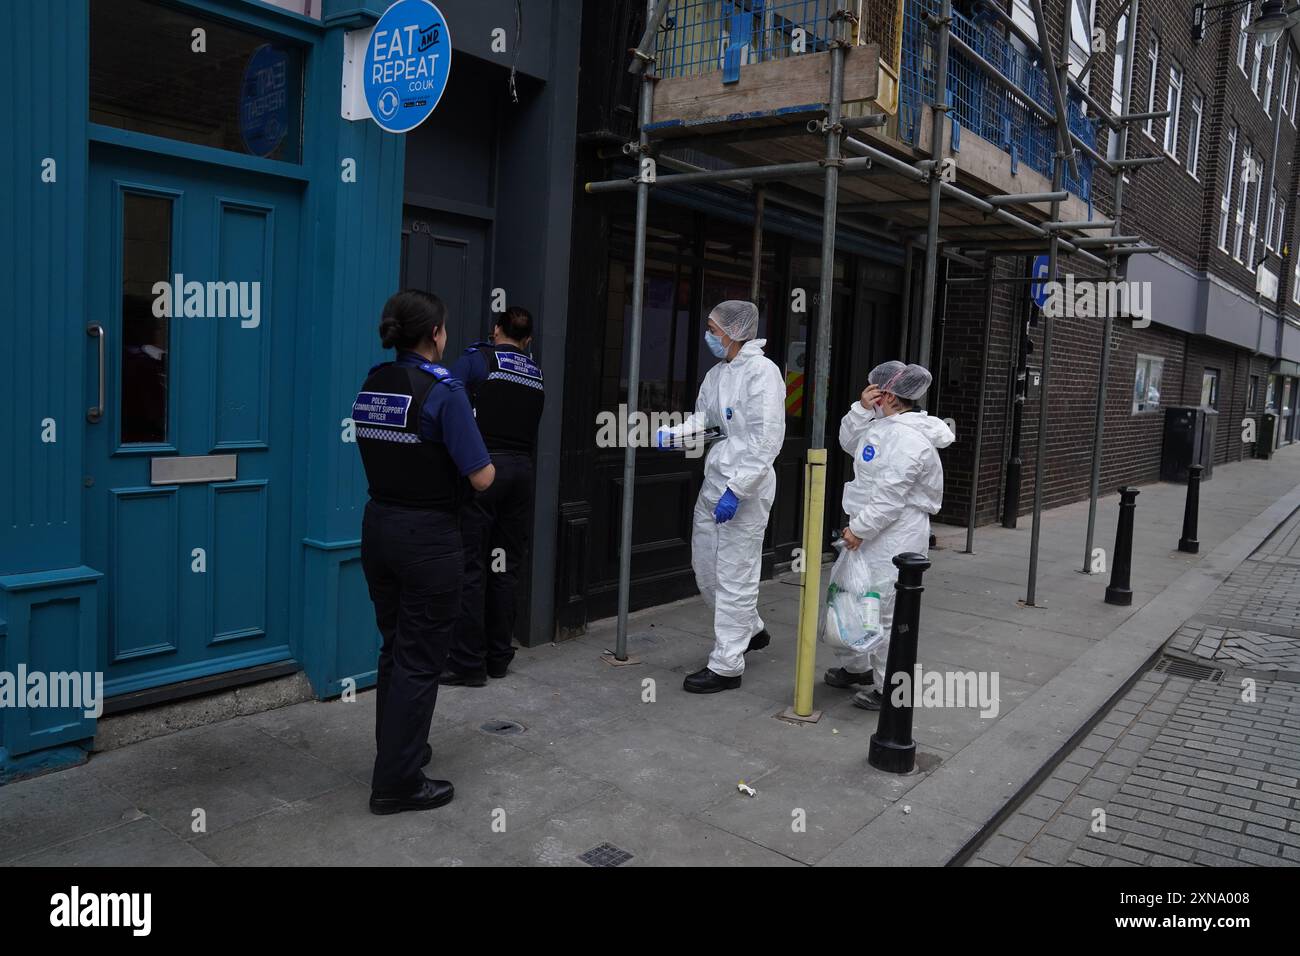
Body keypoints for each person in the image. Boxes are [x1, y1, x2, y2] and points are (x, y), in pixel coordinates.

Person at [352, 289, 495, 814]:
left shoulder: (373, 382)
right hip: (429, 538)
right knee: (419, 659)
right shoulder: (444, 390)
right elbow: (481, 477)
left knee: (395, 648)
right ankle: (397, 783)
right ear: (435, 334)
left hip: (379, 528)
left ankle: (397, 751)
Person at [657, 300, 786, 694]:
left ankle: (728, 664)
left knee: (734, 574)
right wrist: (674, 434)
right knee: (706, 568)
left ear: (732, 331)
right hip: (717, 478)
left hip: (746, 485)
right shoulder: (718, 374)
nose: (709, 335)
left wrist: (738, 490)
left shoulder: (763, 373)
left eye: (713, 328)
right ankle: (752, 629)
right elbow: (704, 418)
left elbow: (766, 441)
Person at [823, 360, 952, 710]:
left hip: (895, 532)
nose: (873, 397)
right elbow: (851, 442)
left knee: (881, 608)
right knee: (848, 596)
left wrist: (860, 530)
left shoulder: (909, 439)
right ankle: (858, 667)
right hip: (870, 528)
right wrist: (860, 409)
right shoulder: (883, 426)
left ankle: (887, 689)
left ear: (891, 396)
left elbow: (891, 494)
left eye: (877, 392)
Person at [442, 306, 545, 686]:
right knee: (504, 566)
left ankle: (468, 663)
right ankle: (499, 657)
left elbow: (443, 398)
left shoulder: (479, 360)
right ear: (528, 339)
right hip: (522, 474)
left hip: (485, 471)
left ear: (496, 329)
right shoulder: (536, 373)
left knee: (471, 567)